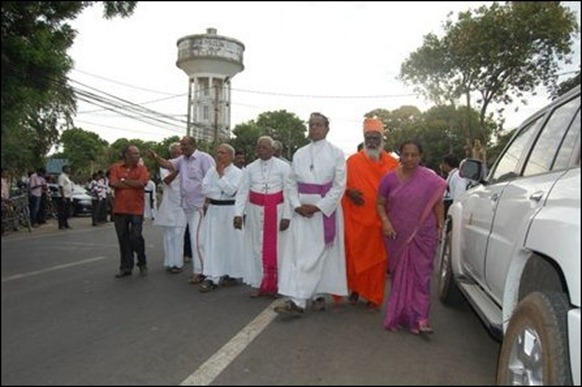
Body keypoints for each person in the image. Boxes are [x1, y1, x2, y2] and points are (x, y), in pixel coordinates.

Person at [275, 112, 348, 314]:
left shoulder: (336, 153)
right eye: (311, 124)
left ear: (327, 128)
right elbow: (290, 183)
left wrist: (319, 206)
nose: (314, 128)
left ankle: (307, 297)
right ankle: (303, 297)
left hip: (324, 212)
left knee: (320, 255)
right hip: (302, 212)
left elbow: (339, 185)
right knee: (301, 255)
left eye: (318, 125)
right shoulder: (299, 153)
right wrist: (297, 205)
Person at [376, 140, 446, 334]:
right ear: (401, 155)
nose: (410, 158)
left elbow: (438, 204)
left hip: (424, 233)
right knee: (400, 277)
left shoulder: (430, 179)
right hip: (397, 234)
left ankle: (421, 320)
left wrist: (440, 226)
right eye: (406, 154)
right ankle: (399, 316)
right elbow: (380, 203)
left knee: (422, 277)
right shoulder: (389, 179)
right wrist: (386, 221)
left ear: (420, 156)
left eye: (414, 155)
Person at [341, 117, 399, 309]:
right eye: (368, 137)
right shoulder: (352, 161)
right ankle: (355, 290)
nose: (372, 141)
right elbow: (339, 185)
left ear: (382, 138)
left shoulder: (392, 163)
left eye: (376, 137)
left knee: (377, 260)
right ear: (364, 138)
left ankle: (373, 296)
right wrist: (348, 192)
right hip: (356, 218)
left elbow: (398, 189)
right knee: (355, 255)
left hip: (380, 219)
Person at [149, 136, 215, 284]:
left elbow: (212, 179)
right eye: (181, 145)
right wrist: (156, 157)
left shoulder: (204, 158)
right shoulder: (182, 160)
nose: (182, 148)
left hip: (199, 205)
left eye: (184, 145)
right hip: (186, 205)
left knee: (197, 239)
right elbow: (167, 165)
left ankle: (202, 272)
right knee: (195, 239)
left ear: (193, 145)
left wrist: (207, 200)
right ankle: (202, 270)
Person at [234, 136, 291, 297]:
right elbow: (243, 191)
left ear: (273, 150)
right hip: (254, 211)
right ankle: (260, 283)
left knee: (277, 249)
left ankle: (278, 286)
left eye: (265, 147)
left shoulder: (284, 167)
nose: (261, 150)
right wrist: (238, 213)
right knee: (256, 248)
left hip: (277, 211)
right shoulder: (250, 168)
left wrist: (287, 216)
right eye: (259, 147)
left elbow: (289, 192)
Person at [198, 143, 246, 292]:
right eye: (217, 152)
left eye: (223, 153)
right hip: (214, 210)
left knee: (231, 243)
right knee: (212, 243)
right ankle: (212, 277)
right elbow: (205, 189)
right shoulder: (210, 171)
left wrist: (220, 177)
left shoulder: (238, 173)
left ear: (231, 156)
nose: (219, 155)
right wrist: (220, 185)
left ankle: (231, 273)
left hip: (230, 210)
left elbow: (231, 191)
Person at [109, 144, 150, 278]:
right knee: (123, 238)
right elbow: (113, 183)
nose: (138, 156)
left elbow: (141, 183)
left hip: (136, 209)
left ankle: (142, 261)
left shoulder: (142, 169)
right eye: (135, 154)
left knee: (136, 236)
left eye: (138, 154)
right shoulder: (116, 167)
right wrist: (131, 183)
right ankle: (126, 267)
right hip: (120, 209)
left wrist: (124, 181)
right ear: (126, 155)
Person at [154, 142, 187, 273]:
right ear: (171, 154)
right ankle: (169, 262)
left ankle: (177, 264)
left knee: (178, 234)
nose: (178, 155)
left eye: (180, 153)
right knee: (168, 235)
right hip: (168, 204)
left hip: (182, 205)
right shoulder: (165, 166)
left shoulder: (187, 165)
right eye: (175, 153)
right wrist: (178, 169)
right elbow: (167, 181)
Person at [57, 165, 73, 230]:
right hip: (63, 196)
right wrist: (63, 196)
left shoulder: (67, 177)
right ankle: (61, 225)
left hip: (68, 196)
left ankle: (66, 224)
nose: (69, 170)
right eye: (68, 168)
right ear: (65, 169)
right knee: (62, 211)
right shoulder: (61, 176)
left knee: (67, 211)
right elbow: (61, 187)